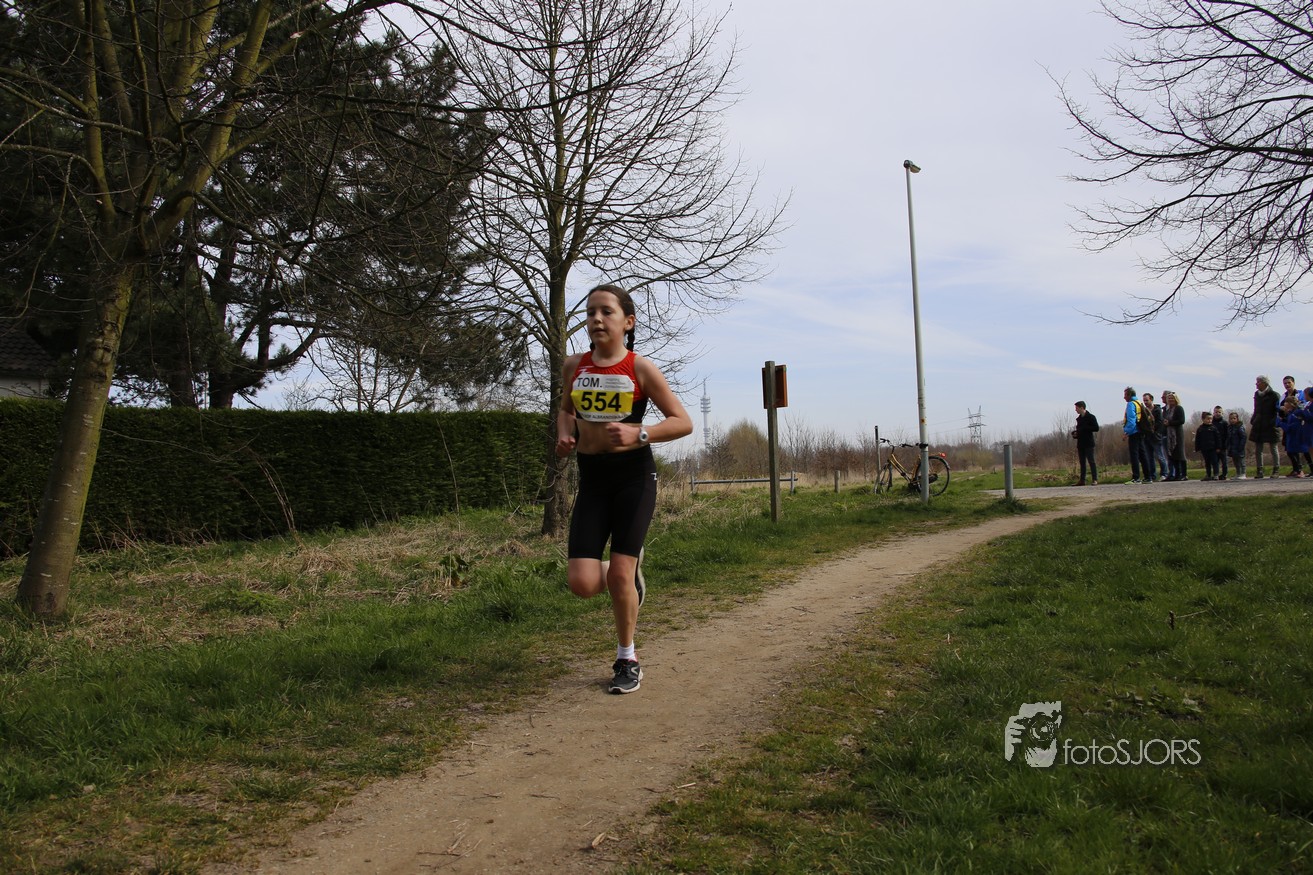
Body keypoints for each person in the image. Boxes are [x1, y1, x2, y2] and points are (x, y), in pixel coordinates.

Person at [556, 284, 693, 694]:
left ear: (628, 322)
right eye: (590, 312)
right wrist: (564, 435)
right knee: (582, 583)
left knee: (618, 573)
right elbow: (565, 411)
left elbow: (682, 422)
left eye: (606, 311)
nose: (596, 319)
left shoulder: (640, 369)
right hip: (593, 479)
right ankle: (628, 575)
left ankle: (626, 658)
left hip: (634, 477)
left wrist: (641, 432)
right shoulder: (573, 366)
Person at [1250, 375, 1281, 479]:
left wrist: (1273, 422)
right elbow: (1256, 409)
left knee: (1273, 448)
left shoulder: (1274, 395)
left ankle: (1276, 470)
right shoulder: (1257, 394)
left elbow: (1278, 411)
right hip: (1258, 424)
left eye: (1258, 382)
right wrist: (1253, 419)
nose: (1256, 384)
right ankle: (1260, 470)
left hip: (1270, 425)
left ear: (1264, 383)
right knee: (1258, 449)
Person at [1121, 387, 1152, 483]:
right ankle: (1148, 477)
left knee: (1134, 455)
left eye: (1125, 395)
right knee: (1143, 455)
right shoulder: (1138, 402)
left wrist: (1127, 432)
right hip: (1140, 431)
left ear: (1130, 395)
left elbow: (1131, 420)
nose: (1124, 397)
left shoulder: (1131, 404)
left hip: (1134, 432)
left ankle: (1136, 477)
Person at [1276, 395, 1308, 478]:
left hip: (1296, 435)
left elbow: (1290, 427)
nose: (1284, 403)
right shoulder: (1291, 413)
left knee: (1294, 452)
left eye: (1286, 402)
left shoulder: (1296, 413)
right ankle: (1296, 470)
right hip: (1291, 435)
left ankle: (1300, 470)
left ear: (1290, 403)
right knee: (1290, 452)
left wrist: (1280, 423)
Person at [1142, 392, 1169, 482]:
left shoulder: (1157, 410)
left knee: (1160, 456)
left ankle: (1164, 473)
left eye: (1147, 400)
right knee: (1149, 457)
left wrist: (1154, 430)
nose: (1145, 402)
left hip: (1156, 436)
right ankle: (1152, 475)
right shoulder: (1144, 411)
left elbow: (1160, 423)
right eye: (1144, 401)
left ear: (1151, 400)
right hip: (1147, 437)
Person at [1072, 401, 1100, 485]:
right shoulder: (1079, 419)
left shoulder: (1091, 417)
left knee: (1091, 461)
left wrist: (1085, 428)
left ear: (1082, 407)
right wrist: (1075, 434)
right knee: (1082, 463)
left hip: (1089, 442)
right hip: (1081, 443)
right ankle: (1082, 480)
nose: (1075, 410)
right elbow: (1080, 430)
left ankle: (1094, 479)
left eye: (1077, 408)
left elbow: (1096, 428)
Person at [1163, 391, 1187, 480]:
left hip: (1177, 434)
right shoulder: (1168, 410)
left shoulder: (1179, 408)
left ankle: (1184, 474)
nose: (1170, 400)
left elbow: (1181, 420)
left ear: (1176, 399)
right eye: (1169, 398)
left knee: (1180, 454)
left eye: (1172, 398)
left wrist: (1170, 423)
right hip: (1170, 434)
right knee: (1173, 455)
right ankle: (1177, 474)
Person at [1194, 411, 1220, 480]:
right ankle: (1208, 475)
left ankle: (1216, 474)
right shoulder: (1200, 429)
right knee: (1207, 462)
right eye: (1208, 419)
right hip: (1204, 448)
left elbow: (1218, 438)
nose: (1210, 420)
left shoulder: (1213, 428)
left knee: (1215, 462)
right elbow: (1197, 439)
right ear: (1203, 419)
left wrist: (1218, 447)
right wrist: (1197, 448)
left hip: (1213, 448)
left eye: (1211, 419)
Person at [1226, 411, 1248, 479]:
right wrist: (1227, 445)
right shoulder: (1229, 428)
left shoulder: (1240, 427)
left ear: (1237, 419)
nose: (1232, 420)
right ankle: (1238, 473)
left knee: (1241, 461)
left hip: (1239, 447)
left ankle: (1243, 473)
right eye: (1231, 419)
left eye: (1234, 418)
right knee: (1236, 462)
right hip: (1232, 448)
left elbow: (1243, 437)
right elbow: (1228, 438)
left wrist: (1241, 446)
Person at [1211, 405, 1230, 480]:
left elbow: (1227, 435)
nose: (1217, 413)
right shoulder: (1211, 423)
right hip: (1214, 446)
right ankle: (1216, 474)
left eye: (1219, 412)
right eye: (1216, 412)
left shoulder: (1225, 423)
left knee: (1224, 462)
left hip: (1223, 446)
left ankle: (1224, 474)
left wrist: (1225, 445)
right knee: (1215, 462)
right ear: (1213, 413)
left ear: (1222, 413)